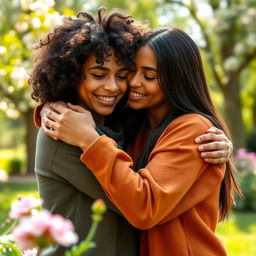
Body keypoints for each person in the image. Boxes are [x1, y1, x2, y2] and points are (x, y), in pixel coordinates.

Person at [43, 27, 241, 256]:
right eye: (131, 71)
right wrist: (51, 108)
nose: (134, 83)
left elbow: (144, 206)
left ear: (178, 80)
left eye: (148, 76)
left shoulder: (193, 129)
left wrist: (90, 140)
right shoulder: (139, 124)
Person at [29, 8, 144, 256]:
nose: (113, 87)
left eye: (122, 75)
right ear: (71, 77)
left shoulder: (116, 124)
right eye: (98, 75)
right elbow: (136, 203)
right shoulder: (61, 132)